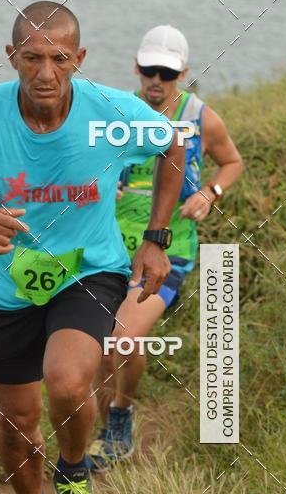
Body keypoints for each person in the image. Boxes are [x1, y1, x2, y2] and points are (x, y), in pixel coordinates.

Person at [0, 3, 185, 494]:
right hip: (9, 286)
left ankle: (75, 471)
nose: (45, 72)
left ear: (79, 59)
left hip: (90, 270)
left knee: (66, 380)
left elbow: (173, 145)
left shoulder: (112, 111)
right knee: (16, 422)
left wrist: (156, 237)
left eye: (59, 58)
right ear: (11, 56)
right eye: (33, 57)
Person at [89, 25, 243, 470]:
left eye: (168, 73)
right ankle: (105, 432)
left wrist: (209, 193)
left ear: (184, 73)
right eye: (150, 70)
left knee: (121, 338)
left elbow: (232, 162)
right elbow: (91, 163)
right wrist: (103, 186)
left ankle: (120, 413)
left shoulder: (200, 116)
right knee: (103, 342)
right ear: (137, 68)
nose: (157, 81)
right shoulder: (116, 114)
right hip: (109, 245)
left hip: (168, 248)